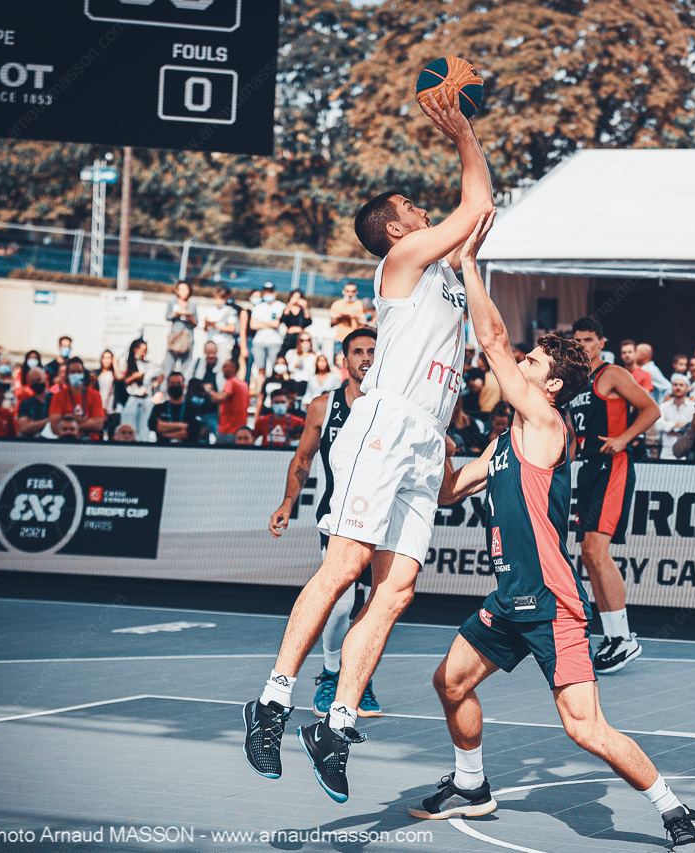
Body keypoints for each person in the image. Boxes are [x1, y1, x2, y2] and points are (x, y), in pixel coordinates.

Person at [411, 221, 695, 852]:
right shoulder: (504, 441)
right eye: (524, 359)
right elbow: (447, 492)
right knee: (450, 682)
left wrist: (468, 263)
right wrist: (432, 435)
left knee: (585, 728)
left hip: (551, 602)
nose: (519, 362)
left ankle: (675, 810)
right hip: (508, 599)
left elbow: (493, 340)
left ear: (550, 387)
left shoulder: (546, 424)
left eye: (532, 363)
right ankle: (471, 784)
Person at [243, 89, 495, 802]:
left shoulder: (445, 271)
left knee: (398, 588)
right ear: (393, 228)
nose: (421, 208)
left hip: (427, 436)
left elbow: (481, 214)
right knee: (347, 564)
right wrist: (461, 130)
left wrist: (470, 153)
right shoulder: (403, 262)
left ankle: (338, 720)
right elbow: (475, 202)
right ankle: (271, 699)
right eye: (411, 206)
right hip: (385, 425)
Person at [269, 328, 381, 717]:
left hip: (382, 518)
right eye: (358, 351)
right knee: (340, 601)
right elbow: (303, 459)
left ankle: (360, 679)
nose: (366, 357)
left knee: (375, 604)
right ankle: (332, 673)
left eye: (372, 350)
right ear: (344, 360)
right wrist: (288, 502)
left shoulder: (392, 404)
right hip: (337, 517)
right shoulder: (323, 406)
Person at [568, 315, 659, 674]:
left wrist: (623, 439)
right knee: (588, 555)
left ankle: (624, 637)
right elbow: (574, 437)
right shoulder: (576, 382)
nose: (582, 345)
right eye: (577, 340)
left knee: (595, 551)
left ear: (601, 343)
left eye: (588, 339)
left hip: (613, 465)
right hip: (589, 468)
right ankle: (613, 636)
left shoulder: (613, 374)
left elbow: (652, 409)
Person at [49, 358, 105, 440]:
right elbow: (54, 427)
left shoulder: (95, 395)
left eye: (79, 372)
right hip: (65, 441)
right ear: (67, 375)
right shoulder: (58, 396)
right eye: (72, 372)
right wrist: (86, 421)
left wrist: (71, 423)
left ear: (84, 374)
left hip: (90, 442)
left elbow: (98, 425)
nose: (76, 375)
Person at [250, 282, 286, 400]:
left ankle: (275, 396)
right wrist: (269, 323)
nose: (268, 294)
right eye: (266, 291)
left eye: (270, 291)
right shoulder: (258, 307)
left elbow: (276, 324)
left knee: (276, 370)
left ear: (274, 292)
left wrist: (261, 323)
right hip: (259, 341)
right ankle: (259, 395)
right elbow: (253, 325)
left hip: (275, 342)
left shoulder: (281, 306)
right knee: (260, 370)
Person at [147, 372, 204, 444]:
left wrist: (164, 432)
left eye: (178, 384)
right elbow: (153, 425)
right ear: (168, 386)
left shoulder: (193, 408)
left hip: (187, 448)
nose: (175, 386)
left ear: (184, 386)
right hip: (164, 448)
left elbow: (192, 431)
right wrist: (182, 426)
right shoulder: (159, 408)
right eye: (172, 384)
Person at [118, 338, 156, 442]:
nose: (144, 353)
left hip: (146, 398)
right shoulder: (127, 362)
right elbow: (122, 380)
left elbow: (159, 375)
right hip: (132, 398)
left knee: (144, 427)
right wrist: (134, 377)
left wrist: (155, 385)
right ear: (135, 349)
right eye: (143, 350)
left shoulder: (147, 363)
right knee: (129, 426)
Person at [188, 341, 225, 439]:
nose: (211, 356)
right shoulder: (197, 364)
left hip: (216, 414)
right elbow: (188, 382)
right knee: (201, 442)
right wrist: (203, 387)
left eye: (213, 353)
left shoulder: (223, 367)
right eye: (208, 353)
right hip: (198, 414)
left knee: (219, 440)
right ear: (204, 352)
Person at [207, 359, 249, 445]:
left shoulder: (231, 382)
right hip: (239, 431)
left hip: (227, 430)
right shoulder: (244, 384)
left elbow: (220, 398)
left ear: (233, 368)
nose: (223, 369)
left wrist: (209, 390)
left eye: (225, 366)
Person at [654, 375, 695, 462]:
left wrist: (669, 426)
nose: (678, 387)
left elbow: (693, 425)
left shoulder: (693, 407)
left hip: (687, 451)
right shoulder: (664, 406)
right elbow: (658, 425)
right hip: (666, 451)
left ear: (687, 388)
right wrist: (681, 426)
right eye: (675, 385)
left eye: (681, 385)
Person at [163, 281, 199, 376]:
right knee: (168, 365)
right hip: (175, 337)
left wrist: (189, 317)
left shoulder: (192, 304)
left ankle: (183, 384)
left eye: (186, 289)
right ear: (177, 291)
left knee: (186, 367)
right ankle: (165, 385)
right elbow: (168, 316)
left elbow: (196, 322)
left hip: (188, 338)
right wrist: (177, 313)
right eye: (181, 289)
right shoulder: (172, 302)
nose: (184, 292)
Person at [329, 283, 368, 356]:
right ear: (343, 292)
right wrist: (341, 317)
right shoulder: (337, 304)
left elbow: (364, 325)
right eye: (348, 291)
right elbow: (331, 324)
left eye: (353, 291)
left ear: (356, 292)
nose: (350, 294)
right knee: (339, 361)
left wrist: (355, 318)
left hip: (355, 341)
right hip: (340, 340)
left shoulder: (360, 304)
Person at [202, 287, 239, 361]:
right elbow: (205, 329)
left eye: (221, 297)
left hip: (223, 342)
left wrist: (215, 326)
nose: (218, 300)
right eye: (216, 297)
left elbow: (232, 328)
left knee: (222, 364)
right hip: (211, 342)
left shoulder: (230, 310)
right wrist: (207, 324)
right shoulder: (210, 310)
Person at [15, 368, 52, 439]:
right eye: (32, 381)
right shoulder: (25, 404)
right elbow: (23, 428)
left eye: (39, 379)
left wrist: (32, 424)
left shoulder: (54, 399)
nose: (36, 383)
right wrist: (48, 420)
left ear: (45, 379)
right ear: (29, 383)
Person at [280, 289, 312, 358]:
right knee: (285, 355)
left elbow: (308, 321)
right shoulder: (288, 309)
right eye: (294, 297)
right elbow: (283, 319)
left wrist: (305, 307)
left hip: (300, 337)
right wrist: (290, 305)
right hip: (289, 336)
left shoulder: (303, 310)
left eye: (298, 297)